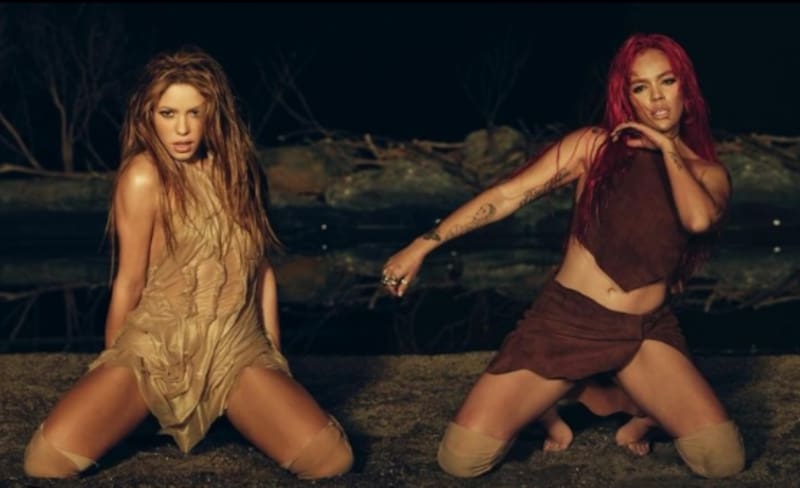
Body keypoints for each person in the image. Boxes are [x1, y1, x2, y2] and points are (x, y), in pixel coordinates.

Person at [380, 33, 745, 478]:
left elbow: (698, 220)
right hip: (566, 323)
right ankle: (554, 402)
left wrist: (668, 147)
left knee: (722, 461)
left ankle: (635, 409)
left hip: (643, 333)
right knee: (461, 460)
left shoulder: (709, 174)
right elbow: (508, 195)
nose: (656, 98)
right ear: (627, 97)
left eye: (666, 82)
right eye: (640, 87)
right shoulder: (595, 147)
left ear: (686, 88)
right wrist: (423, 245)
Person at [22, 47, 353, 480]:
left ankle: (221, 405)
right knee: (45, 463)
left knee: (331, 460)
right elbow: (129, 281)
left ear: (213, 113)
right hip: (155, 346)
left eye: (194, 113)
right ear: (148, 116)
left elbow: (262, 269)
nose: (182, 129)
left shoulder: (240, 171)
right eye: (168, 113)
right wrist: (111, 363)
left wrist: (274, 356)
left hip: (234, 347)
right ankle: (146, 410)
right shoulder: (143, 176)